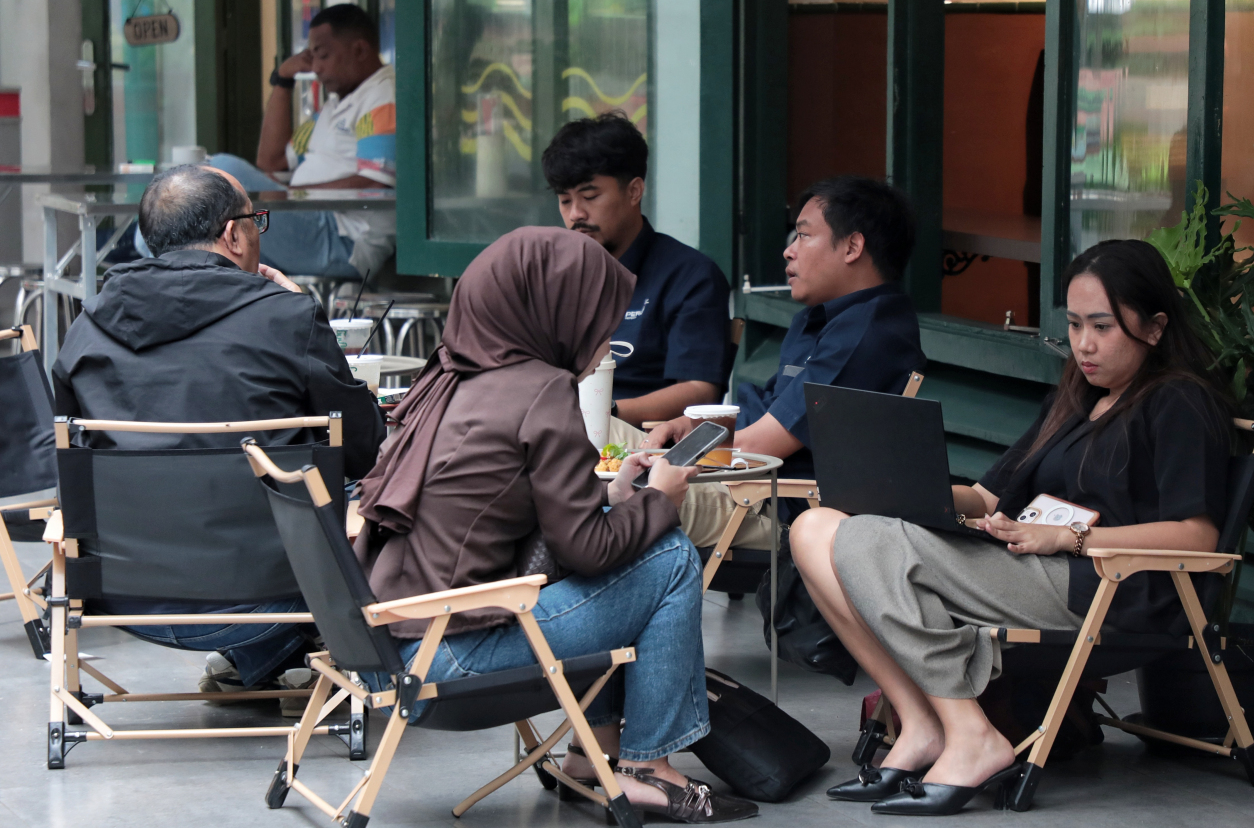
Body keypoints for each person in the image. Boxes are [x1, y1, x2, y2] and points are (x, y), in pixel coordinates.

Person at [789, 239, 1232, 815]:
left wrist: (1071, 539)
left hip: (1107, 589)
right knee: (814, 527)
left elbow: (1197, 536)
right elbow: (986, 497)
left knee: (867, 540)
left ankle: (971, 736)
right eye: (1074, 325)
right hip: (1032, 565)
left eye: (1102, 327)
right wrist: (886, 489)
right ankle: (922, 723)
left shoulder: (1178, 402)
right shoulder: (1077, 397)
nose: (1084, 344)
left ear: (1154, 327)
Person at [353, 227, 757, 823]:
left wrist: (616, 494)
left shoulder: (448, 376)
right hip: (450, 658)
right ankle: (649, 767)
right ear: (553, 312)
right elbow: (589, 550)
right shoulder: (541, 390)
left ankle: (592, 754)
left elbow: (512, 508)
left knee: (630, 543)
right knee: (669, 556)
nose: (605, 340)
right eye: (597, 319)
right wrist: (661, 497)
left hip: (384, 647)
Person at [53, 164, 387, 704]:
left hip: (122, 597)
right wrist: (303, 311)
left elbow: (70, 464)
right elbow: (366, 451)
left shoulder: (86, 326)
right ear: (233, 234)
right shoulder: (285, 318)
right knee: (364, 491)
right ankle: (305, 660)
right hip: (272, 596)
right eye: (256, 221)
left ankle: (259, 662)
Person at [644, 175, 925, 550]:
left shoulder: (867, 334)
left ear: (852, 247)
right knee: (585, 461)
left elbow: (758, 446)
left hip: (772, 507)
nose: (789, 251)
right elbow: (766, 414)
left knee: (600, 490)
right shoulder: (821, 317)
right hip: (742, 484)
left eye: (804, 236)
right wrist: (688, 427)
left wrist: (665, 458)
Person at [173, 3, 397, 279]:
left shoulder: (382, 96)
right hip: (313, 222)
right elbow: (272, 161)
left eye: (323, 55)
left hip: (344, 238)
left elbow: (375, 181)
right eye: (311, 57)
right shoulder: (334, 107)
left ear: (360, 50)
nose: (315, 68)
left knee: (221, 168)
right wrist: (283, 80)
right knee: (202, 242)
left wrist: (293, 194)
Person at [543, 112, 732, 428]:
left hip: (640, 440)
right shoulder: (555, 278)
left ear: (634, 191)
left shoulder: (690, 277)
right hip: (553, 431)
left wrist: (602, 413)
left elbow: (699, 390)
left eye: (590, 196)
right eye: (564, 201)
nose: (575, 214)